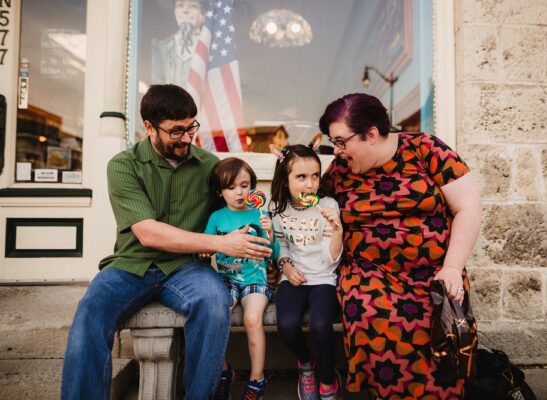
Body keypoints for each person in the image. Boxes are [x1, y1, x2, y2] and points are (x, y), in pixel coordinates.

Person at [61, 84, 272, 400]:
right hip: (131, 265)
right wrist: (216, 243)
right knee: (91, 310)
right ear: (149, 127)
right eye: (177, 131)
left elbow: (229, 217)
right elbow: (147, 232)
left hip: (187, 268)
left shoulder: (209, 165)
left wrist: (259, 231)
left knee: (214, 303)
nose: (188, 138)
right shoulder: (123, 165)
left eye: (191, 127)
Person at [318, 93, 482, 399]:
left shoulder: (426, 149)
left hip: (433, 270)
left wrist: (452, 267)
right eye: (333, 142)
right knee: (373, 315)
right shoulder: (340, 171)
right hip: (370, 273)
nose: (337, 151)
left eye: (341, 142)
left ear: (371, 134)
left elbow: (469, 206)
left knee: (438, 328)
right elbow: (303, 204)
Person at [269, 141, 344, 400]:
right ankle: (306, 364)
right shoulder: (278, 210)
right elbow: (280, 244)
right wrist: (286, 267)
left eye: (315, 176)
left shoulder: (328, 205)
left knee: (321, 325)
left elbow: (331, 259)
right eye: (301, 177)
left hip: (323, 277)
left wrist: (337, 232)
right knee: (287, 326)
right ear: (285, 179)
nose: (310, 184)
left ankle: (327, 379)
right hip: (294, 276)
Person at [204, 157, 280, 400]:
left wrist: (269, 232)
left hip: (255, 280)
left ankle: (257, 379)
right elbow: (206, 246)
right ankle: (224, 371)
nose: (239, 192)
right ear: (220, 191)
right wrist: (206, 250)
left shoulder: (260, 214)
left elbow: (274, 253)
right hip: (226, 280)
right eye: (231, 187)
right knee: (218, 313)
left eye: (245, 185)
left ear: (253, 188)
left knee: (252, 317)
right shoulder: (216, 218)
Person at [152, 0, 206, 87]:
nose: (185, 10)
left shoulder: (209, 47)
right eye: (180, 5)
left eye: (193, 6)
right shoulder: (162, 47)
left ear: (204, 14)